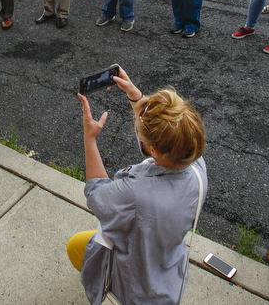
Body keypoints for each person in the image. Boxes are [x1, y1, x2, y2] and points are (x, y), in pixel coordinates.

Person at [67, 66, 206, 305]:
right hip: (168, 267)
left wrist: (90, 139)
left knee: (76, 246)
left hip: (138, 286)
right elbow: (164, 136)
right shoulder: (196, 164)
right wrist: (137, 97)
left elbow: (97, 194)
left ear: (154, 150)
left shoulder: (135, 193)